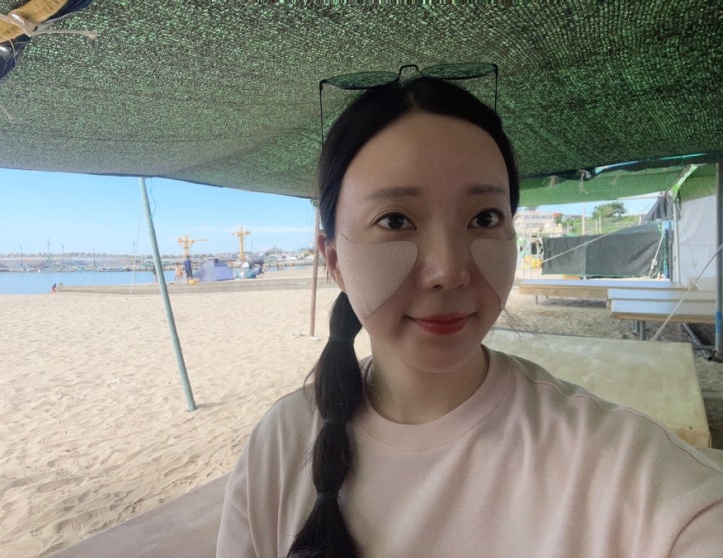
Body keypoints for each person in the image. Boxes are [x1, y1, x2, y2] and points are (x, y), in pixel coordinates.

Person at [217, 73, 723, 557]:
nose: (449, 271)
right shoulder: (280, 447)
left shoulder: (617, 463)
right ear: (334, 261)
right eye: (395, 220)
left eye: (484, 217)